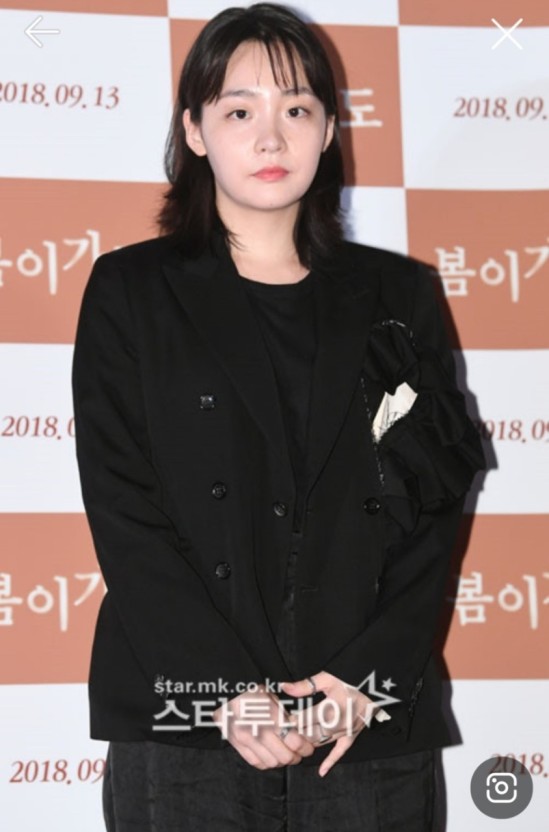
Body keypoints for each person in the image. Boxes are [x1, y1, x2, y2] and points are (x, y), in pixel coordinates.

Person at [71, 3, 486, 830]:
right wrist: (225, 690)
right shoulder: (131, 290)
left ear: (328, 129)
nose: (270, 137)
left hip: (362, 721)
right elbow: (122, 506)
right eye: (238, 112)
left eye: (296, 109)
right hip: (189, 719)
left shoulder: (396, 294)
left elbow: (435, 501)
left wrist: (365, 679)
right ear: (194, 131)